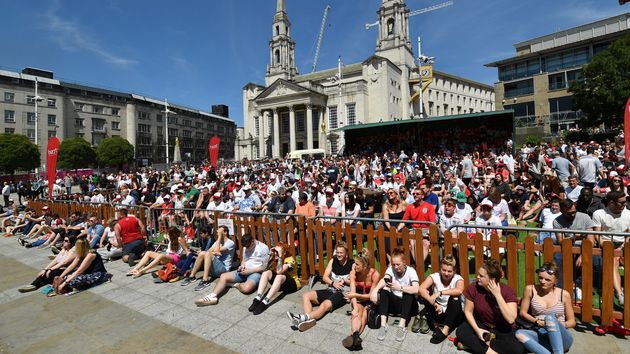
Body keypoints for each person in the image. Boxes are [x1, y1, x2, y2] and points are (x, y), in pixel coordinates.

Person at [456, 259, 524, 354]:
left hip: (502, 328)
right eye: (478, 274)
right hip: (483, 324)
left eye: (481, 276)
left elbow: (511, 319)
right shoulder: (473, 288)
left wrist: (497, 295)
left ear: (492, 279)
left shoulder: (507, 292)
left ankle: (475, 345)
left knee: (518, 349)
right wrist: (477, 330)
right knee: (461, 332)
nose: (477, 277)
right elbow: (468, 311)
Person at [287, 241, 353, 332]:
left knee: (325, 304)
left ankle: (301, 317)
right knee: (306, 296)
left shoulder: (351, 264)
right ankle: (309, 320)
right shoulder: (333, 260)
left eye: (341, 253)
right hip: (331, 288)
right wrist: (333, 283)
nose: (339, 255)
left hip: (342, 293)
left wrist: (345, 281)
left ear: (346, 253)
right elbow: (325, 277)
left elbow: (355, 282)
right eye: (337, 252)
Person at [516, 261, 575, 354]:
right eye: (540, 278)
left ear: (555, 281)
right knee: (519, 334)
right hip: (541, 334)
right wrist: (537, 321)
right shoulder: (530, 289)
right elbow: (522, 313)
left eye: (547, 280)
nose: (543, 282)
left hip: (561, 338)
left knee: (550, 318)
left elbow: (572, 322)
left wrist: (555, 324)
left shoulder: (564, 294)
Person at [195, 233, 269, 306]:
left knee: (246, 289)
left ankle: (236, 284)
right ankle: (213, 296)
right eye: (245, 247)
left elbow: (264, 267)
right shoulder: (246, 246)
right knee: (223, 276)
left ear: (253, 241)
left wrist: (249, 271)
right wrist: (242, 266)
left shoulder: (263, 248)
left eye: (248, 246)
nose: (247, 248)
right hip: (244, 270)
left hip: (255, 272)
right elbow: (244, 260)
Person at [370, 247, 419, 342]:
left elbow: (416, 289)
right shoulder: (391, 269)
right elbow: (384, 279)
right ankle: (383, 325)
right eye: (394, 264)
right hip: (396, 305)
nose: (396, 267)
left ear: (404, 262)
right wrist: (375, 290)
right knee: (384, 290)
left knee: (408, 292)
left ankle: (401, 326)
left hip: (410, 307)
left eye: (398, 264)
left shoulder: (411, 271)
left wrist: (400, 288)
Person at [592, 190, 629, 305]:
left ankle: (619, 293)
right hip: (606, 244)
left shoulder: (628, 214)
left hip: (624, 244)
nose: (625, 204)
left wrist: (622, 247)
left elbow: (629, 234)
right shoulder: (599, 214)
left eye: (625, 201)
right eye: (621, 202)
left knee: (616, 260)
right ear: (611, 203)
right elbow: (597, 235)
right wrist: (607, 247)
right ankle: (620, 293)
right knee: (614, 261)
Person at [417, 255, 464, 343]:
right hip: (438, 310)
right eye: (444, 270)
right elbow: (421, 288)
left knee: (455, 298)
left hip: (453, 314)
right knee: (424, 294)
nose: (446, 273)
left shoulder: (458, 278)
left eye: (449, 271)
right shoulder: (435, 276)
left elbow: (459, 290)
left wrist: (440, 292)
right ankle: (436, 325)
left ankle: (445, 330)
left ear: (454, 271)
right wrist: (434, 303)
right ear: (440, 269)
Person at [342, 248, 380, 350]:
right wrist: (354, 307)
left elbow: (371, 296)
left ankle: (353, 336)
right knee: (357, 312)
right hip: (357, 296)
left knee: (364, 314)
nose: (354, 266)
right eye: (354, 263)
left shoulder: (375, 275)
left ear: (365, 266)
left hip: (370, 298)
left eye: (357, 264)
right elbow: (353, 290)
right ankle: (356, 337)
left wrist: (354, 295)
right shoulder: (353, 272)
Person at [249, 242, 301, 315]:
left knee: (279, 276)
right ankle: (258, 298)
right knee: (266, 272)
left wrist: (279, 256)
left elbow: (279, 271)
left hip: (293, 285)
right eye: (275, 251)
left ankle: (265, 302)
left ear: (284, 253)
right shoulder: (275, 258)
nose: (275, 253)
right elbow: (264, 268)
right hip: (281, 283)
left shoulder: (290, 259)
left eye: (278, 252)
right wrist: (269, 254)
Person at [182, 225, 234, 290]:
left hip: (223, 270)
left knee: (207, 254)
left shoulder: (230, 243)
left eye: (219, 231)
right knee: (202, 253)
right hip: (214, 269)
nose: (217, 233)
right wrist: (214, 252)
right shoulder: (217, 242)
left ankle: (205, 280)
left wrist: (219, 237)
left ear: (225, 232)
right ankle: (192, 276)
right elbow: (209, 251)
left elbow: (216, 250)